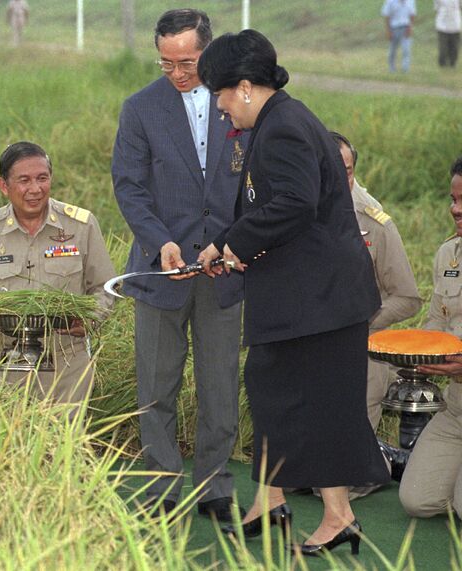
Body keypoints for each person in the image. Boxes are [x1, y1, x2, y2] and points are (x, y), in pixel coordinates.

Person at [194, 30, 390, 555]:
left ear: (244, 87)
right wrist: (224, 245)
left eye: (218, 93)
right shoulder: (279, 120)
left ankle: (339, 515)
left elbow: (296, 205)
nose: (218, 107)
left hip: (321, 300)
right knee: (270, 390)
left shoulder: (283, 128)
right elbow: (270, 208)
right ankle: (271, 499)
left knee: (323, 406)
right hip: (301, 296)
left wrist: (233, 244)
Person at [111, 8, 249, 521]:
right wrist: (161, 242)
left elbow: (250, 187)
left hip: (224, 271)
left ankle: (215, 486)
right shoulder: (140, 108)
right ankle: (162, 489)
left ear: (207, 53)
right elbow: (129, 185)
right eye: (166, 63)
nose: (177, 73)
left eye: (187, 62)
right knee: (157, 386)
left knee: (219, 387)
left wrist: (234, 245)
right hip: (160, 271)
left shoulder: (238, 100)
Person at [0, 142, 116, 415]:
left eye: (42, 178)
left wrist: (91, 318)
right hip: (5, 363)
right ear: (4, 186)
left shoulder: (80, 225)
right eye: (24, 180)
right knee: (7, 446)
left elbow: (106, 287)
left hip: (67, 363)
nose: (35, 189)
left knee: (64, 446)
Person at [331, 132, 422, 434]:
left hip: (363, 349)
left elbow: (408, 297)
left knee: (346, 477)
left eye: (346, 171)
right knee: (291, 478)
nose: (340, 180)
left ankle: (376, 460)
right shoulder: (298, 212)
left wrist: (363, 320)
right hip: (313, 346)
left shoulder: (373, 221)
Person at [399, 156, 462, 519]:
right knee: (417, 501)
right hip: (455, 410)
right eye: (452, 200)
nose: (455, 209)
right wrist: (409, 354)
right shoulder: (447, 254)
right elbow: (435, 321)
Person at [381, 0, 417, 73]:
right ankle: (391, 68)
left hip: (406, 27)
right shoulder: (390, 2)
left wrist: (410, 28)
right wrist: (388, 31)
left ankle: (405, 69)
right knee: (392, 50)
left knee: (406, 49)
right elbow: (387, 16)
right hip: (394, 27)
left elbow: (412, 15)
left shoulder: (411, 1)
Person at [435, 0, 462, 68]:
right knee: (443, 48)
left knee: (455, 47)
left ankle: (452, 63)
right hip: (442, 25)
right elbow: (437, 8)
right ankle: (442, 63)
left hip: (455, 25)